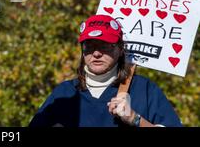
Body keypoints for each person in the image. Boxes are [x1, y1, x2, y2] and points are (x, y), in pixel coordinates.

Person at [29, 14, 182, 127]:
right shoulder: (64, 94)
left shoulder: (145, 90)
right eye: (89, 46)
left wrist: (135, 118)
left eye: (104, 46)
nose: (96, 53)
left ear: (120, 49)